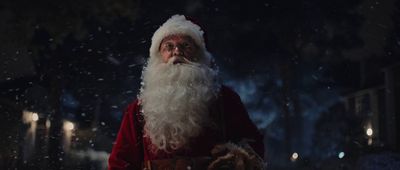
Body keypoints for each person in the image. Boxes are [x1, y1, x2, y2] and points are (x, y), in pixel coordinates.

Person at [108, 14, 265, 170]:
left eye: (185, 46)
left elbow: (253, 148)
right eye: (168, 46)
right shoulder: (139, 110)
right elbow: (120, 163)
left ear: (199, 55)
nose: (177, 52)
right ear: (159, 57)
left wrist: (237, 157)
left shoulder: (225, 100)